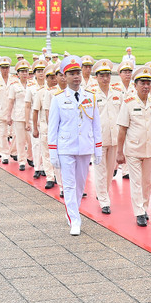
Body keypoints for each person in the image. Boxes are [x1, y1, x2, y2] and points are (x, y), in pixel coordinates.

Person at [48, 56, 102, 236]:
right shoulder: (58, 99)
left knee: (80, 185)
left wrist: (98, 149)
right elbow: (53, 128)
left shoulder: (90, 97)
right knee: (69, 185)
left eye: (78, 72)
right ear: (64, 76)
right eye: (71, 74)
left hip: (85, 147)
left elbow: (96, 125)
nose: (76, 76)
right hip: (66, 147)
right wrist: (53, 152)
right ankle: (75, 219)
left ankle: (72, 212)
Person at [116, 66, 151, 227]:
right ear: (135, 85)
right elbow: (122, 129)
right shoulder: (128, 104)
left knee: (147, 182)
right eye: (142, 83)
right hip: (133, 150)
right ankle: (139, 212)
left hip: (150, 149)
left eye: (148, 83)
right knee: (136, 182)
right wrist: (119, 151)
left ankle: (144, 208)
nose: (146, 86)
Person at [92, 59, 121, 214]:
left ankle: (103, 192)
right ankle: (104, 200)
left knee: (110, 171)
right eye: (102, 75)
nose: (105, 78)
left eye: (107, 75)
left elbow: (122, 116)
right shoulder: (91, 95)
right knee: (100, 170)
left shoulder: (117, 94)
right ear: (96, 77)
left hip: (114, 138)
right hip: (98, 139)